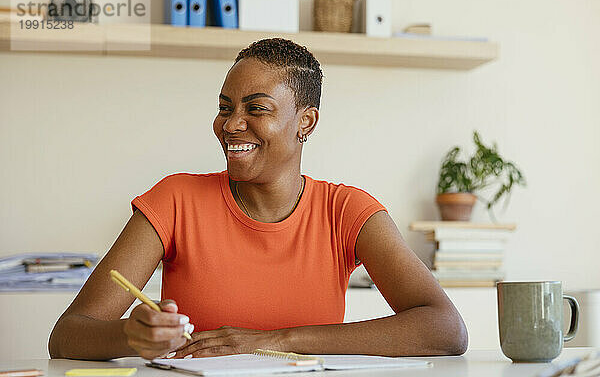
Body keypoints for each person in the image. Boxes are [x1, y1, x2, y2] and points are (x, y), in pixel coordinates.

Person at [49, 38, 468, 361]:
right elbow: (67, 334)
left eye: (257, 109)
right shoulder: (175, 200)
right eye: (225, 107)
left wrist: (276, 340)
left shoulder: (347, 211)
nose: (231, 125)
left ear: (306, 122)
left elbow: (446, 330)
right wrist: (130, 334)